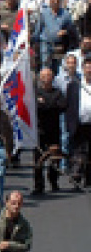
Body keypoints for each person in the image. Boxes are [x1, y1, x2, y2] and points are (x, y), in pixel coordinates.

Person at [64, 56, 91, 190]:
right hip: (79, 124)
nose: (89, 70)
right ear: (83, 69)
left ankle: (89, 178)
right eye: (87, 67)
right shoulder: (74, 85)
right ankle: (76, 177)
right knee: (77, 152)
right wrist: (69, 125)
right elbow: (69, 107)